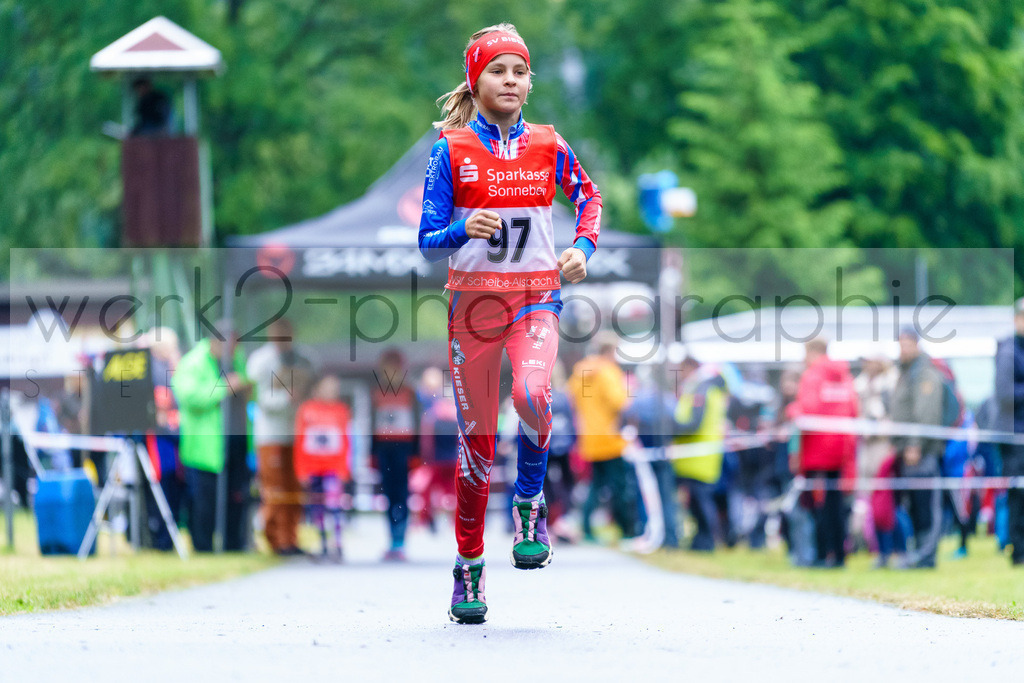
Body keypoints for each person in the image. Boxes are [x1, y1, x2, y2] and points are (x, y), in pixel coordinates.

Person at [418, 23, 602, 624]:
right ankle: (468, 569)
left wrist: (582, 246)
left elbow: (589, 197)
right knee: (475, 448)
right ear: (477, 79)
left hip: (534, 298)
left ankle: (529, 500)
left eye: (520, 71)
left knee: (533, 392)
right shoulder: (449, 149)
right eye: (498, 70)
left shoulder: (549, 143)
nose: (511, 81)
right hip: (471, 306)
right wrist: (460, 230)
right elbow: (426, 240)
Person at [171, 321, 251, 553]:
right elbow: (189, 397)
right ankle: (203, 547)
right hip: (205, 446)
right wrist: (224, 387)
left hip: (236, 440)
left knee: (235, 497)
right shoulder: (192, 362)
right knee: (204, 500)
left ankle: (233, 545)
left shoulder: (236, 359)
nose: (235, 348)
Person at [787, 337, 858, 568]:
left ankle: (821, 554)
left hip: (818, 451)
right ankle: (838, 554)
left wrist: (792, 409)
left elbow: (808, 410)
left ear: (812, 352)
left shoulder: (812, 376)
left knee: (819, 505)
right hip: (841, 450)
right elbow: (854, 410)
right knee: (837, 504)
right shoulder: (845, 378)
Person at [246, 318, 315, 556]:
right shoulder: (260, 361)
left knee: (294, 489)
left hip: (296, 435)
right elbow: (260, 398)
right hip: (270, 435)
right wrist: (287, 398)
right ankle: (274, 540)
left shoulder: (304, 358)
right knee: (274, 489)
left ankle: (290, 538)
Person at [570, 334, 637, 544]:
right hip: (610, 438)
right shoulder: (608, 372)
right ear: (610, 352)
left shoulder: (579, 372)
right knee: (620, 486)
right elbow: (620, 403)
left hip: (589, 438)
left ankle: (587, 528)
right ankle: (627, 531)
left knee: (595, 485)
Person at [891, 326, 945, 569]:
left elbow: (927, 412)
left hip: (922, 451)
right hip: (908, 450)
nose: (903, 348)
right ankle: (919, 553)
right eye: (900, 343)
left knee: (926, 505)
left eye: (906, 343)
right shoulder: (907, 371)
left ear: (916, 344)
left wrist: (915, 444)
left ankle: (926, 555)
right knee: (913, 503)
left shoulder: (924, 373)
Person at [671, 357, 729, 552]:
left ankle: (707, 542)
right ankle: (702, 541)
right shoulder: (707, 388)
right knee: (697, 502)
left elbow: (693, 423)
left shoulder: (701, 388)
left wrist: (670, 428)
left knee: (701, 502)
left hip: (698, 454)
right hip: (699, 454)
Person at [294, 375, 351, 562]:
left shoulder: (341, 411)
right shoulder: (306, 410)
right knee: (316, 507)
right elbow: (300, 440)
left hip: (333, 468)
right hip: (313, 468)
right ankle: (322, 542)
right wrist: (301, 469)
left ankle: (338, 543)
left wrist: (344, 468)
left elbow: (346, 441)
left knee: (334, 505)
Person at [371, 348, 418, 562]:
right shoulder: (376, 392)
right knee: (388, 495)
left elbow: (417, 424)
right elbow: (371, 425)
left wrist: (416, 453)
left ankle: (400, 540)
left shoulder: (409, 391)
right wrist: (371, 453)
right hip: (383, 449)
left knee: (402, 494)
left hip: (403, 450)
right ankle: (391, 539)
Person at [995, 297, 1024, 566]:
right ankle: (1017, 550)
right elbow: (1004, 394)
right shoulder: (1008, 351)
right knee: (1017, 493)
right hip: (1015, 436)